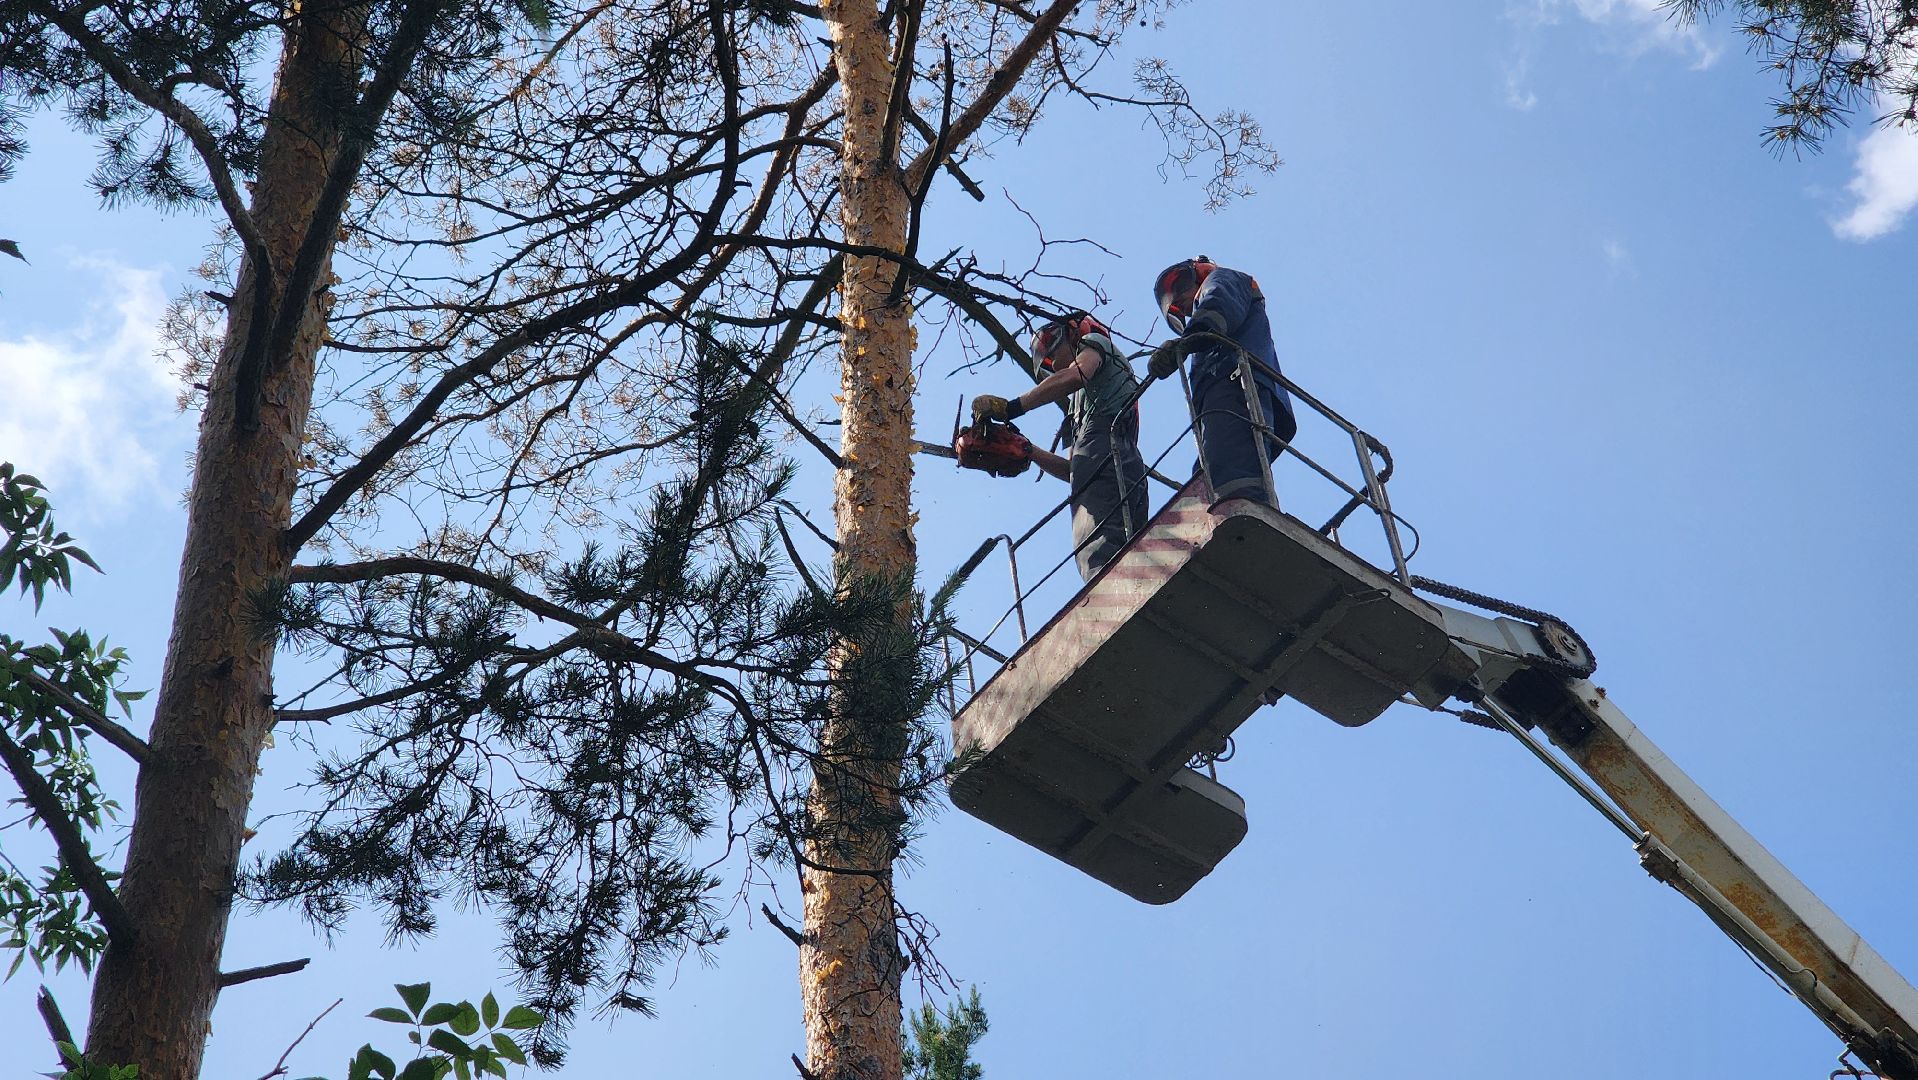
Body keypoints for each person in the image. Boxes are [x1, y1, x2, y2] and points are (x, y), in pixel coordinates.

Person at [970, 312, 1148, 582]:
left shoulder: (1093, 343)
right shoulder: (1075, 410)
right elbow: (1073, 471)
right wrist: (1028, 449)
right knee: (1130, 547)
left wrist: (1012, 408)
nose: (1051, 358)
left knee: (1098, 546)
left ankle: (1104, 592)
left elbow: (1075, 375)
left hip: (1108, 450)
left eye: (1052, 342)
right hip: (1117, 463)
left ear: (1073, 331)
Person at [1148, 256, 1298, 505]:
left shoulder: (1221, 280)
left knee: (1231, 470)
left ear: (1197, 271)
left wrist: (1182, 345)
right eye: (1176, 307)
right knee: (1210, 470)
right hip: (1225, 395)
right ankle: (1219, 511)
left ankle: (1242, 514)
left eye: (1180, 288)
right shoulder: (1201, 334)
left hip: (1237, 386)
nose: (1180, 303)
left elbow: (1217, 309)